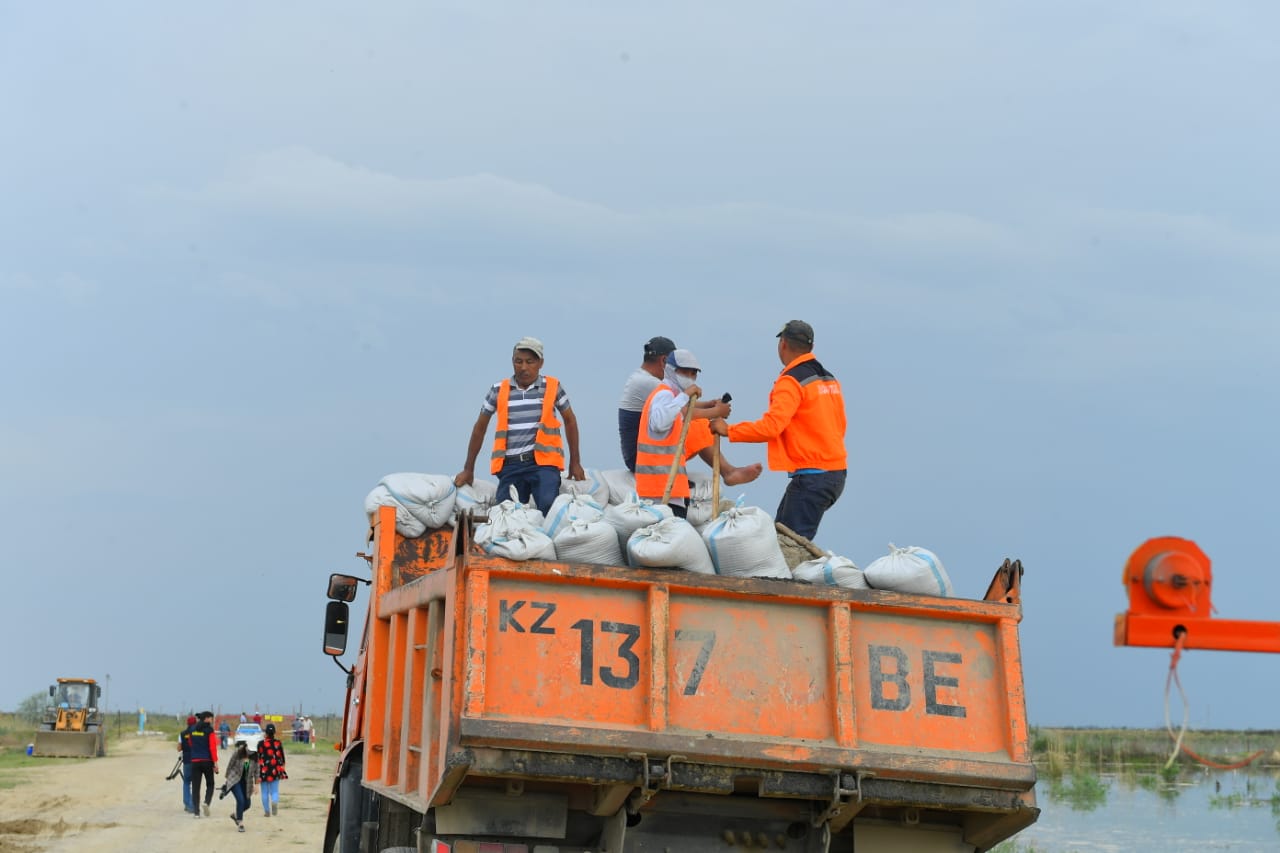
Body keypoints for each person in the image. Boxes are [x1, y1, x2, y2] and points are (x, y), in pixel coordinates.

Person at [710, 320, 847, 541]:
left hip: (813, 476)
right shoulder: (828, 379)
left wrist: (728, 430)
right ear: (811, 347)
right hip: (834, 472)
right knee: (782, 537)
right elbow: (840, 424)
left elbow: (771, 427)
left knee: (789, 545)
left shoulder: (791, 381)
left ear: (782, 344)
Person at [454, 337, 586, 514]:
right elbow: (480, 428)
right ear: (512, 362)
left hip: (544, 464)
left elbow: (570, 421)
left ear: (540, 363)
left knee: (548, 504)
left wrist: (575, 462)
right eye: (518, 361)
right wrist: (468, 469)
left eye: (530, 362)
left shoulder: (552, 387)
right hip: (511, 466)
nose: (524, 367)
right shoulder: (498, 389)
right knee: (507, 514)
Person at [618, 336, 762, 488]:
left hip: (644, 451)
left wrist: (709, 405)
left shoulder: (643, 378)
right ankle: (728, 472)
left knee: (699, 420)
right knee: (699, 424)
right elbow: (682, 413)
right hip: (641, 456)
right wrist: (715, 412)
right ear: (664, 361)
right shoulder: (650, 383)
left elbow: (679, 404)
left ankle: (726, 471)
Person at [634, 349, 732, 518]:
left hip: (670, 490)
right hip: (659, 492)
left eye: (694, 373)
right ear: (672, 370)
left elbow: (683, 411)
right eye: (685, 372)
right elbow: (660, 422)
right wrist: (687, 395)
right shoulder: (664, 394)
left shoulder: (673, 396)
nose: (690, 377)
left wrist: (708, 405)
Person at [186, 711, 220, 817]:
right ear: (206, 718)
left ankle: (196, 812)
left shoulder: (192, 729)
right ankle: (206, 802)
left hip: (195, 761)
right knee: (210, 784)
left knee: (195, 787)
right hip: (207, 761)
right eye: (211, 718)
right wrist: (215, 762)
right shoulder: (209, 730)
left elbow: (190, 742)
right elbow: (212, 747)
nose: (212, 720)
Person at [221, 740, 257, 832]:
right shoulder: (238, 752)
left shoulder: (255, 756)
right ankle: (240, 823)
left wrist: (256, 784)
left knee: (247, 804)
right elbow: (230, 764)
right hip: (235, 779)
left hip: (246, 782)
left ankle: (236, 815)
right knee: (240, 800)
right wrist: (227, 779)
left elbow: (257, 771)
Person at [256, 722, 288, 816]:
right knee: (274, 790)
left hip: (263, 770)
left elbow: (258, 757)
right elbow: (282, 757)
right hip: (275, 769)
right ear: (274, 733)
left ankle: (267, 811)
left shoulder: (261, 744)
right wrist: (282, 767)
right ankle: (274, 801)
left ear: (266, 733)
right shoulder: (278, 743)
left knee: (264, 792)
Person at [178, 715, 196, 813]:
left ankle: (188, 804)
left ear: (187, 723)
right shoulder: (198, 733)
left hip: (187, 760)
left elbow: (179, 748)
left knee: (186, 782)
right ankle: (193, 804)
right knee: (195, 783)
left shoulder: (182, 734)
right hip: (197, 760)